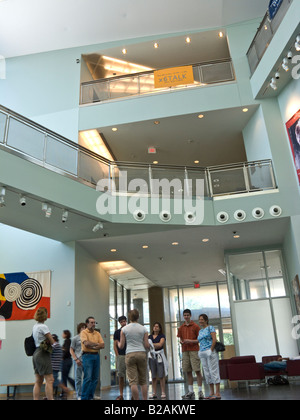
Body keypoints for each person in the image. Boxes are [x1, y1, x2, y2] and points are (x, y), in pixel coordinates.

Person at [118, 309, 150, 400]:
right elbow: (147, 345)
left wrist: (117, 344)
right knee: (143, 380)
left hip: (130, 354)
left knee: (133, 382)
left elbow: (121, 346)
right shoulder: (143, 328)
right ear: (138, 317)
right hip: (141, 353)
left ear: (129, 318)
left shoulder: (124, 329)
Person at [177, 308, 204, 400]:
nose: (186, 317)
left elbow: (199, 339)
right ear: (183, 316)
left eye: (188, 315)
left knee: (197, 370)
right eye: (185, 315)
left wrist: (190, 341)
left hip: (194, 350)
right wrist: (182, 342)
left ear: (190, 316)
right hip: (185, 350)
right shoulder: (181, 328)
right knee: (188, 371)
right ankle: (191, 391)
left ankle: (200, 391)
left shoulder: (196, 326)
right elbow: (180, 339)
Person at [32, 307, 55, 400]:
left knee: (38, 381)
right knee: (50, 380)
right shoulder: (43, 327)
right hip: (43, 354)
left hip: (35, 353)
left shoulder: (35, 326)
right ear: (45, 316)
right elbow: (52, 341)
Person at [197, 314, 221, 400]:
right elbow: (199, 341)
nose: (200, 321)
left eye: (202, 319)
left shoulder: (210, 328)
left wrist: (210, 350)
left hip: (211, 351)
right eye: (199, 319)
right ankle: (211, 392)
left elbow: (214, 339)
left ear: (206, 320)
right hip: (202, 352)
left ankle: (217, 393)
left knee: (213, 370)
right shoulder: (200, 331)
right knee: (206, 372)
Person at [80, 316, 105, 400]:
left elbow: (103, 345)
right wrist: (96, 345)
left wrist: (93, 345)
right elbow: (86, 344)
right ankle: (84, 397)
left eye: (94, 322)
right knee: (88, 378)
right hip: (87, 356)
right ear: (87, 324)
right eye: (92, 322)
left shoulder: (97, 333)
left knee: (95, 378)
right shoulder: (84, 332)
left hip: (96, 356)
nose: (93, 324)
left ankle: (90, 397)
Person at [148, 322, 168, 399]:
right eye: (154, 326)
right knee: (153, 375)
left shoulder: (162, 336)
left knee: (161, 374)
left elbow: (160, 345)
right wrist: (154, 345)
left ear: (159, 328)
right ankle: (154, 392)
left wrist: (151, 345)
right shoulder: (149, 336)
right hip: (152, 356)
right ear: (152, 328)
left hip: (159, 356)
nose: (156, 327)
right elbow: (147, 345)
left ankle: (163, 392)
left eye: (157, 326)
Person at [70, 322, 86, 400]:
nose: (84, 329)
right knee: (78, 378)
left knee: (87, 378)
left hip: (86, 359)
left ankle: (86, 393)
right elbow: (71, 350)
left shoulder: (87, 338)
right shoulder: (75, 338)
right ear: (79, 329)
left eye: (85, 327)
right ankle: (79, 394)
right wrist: (76, 359)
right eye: (82, 327)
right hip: (78, 360)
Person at [113, 315, 127, 400]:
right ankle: (121, 394)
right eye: (121, 322)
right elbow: (115, 345)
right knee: (121, 375)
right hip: (121, 355)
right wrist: (117, 355)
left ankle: (133, 394)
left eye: (124, 321)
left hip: (129, 354)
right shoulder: (117, 332)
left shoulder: (129, 330)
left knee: (132, 375)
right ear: (119, 323)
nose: (123, 323)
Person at [61, 329, 75, 397]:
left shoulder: (67, 341)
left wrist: (62, 357)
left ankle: (64, 392)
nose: (62, 335)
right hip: (69, 360)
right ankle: (66, 391)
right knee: (66, 376)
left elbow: (66, 350)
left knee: (64, 377)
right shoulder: (69, 341)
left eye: (63, 333)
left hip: (66, 361)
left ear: (66, 334)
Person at [50, 334, 63, 399]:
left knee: (53, 381)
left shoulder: (55, 345)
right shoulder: (58, 345)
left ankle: (65, 389)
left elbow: (49, 352)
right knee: (53, 381)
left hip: (54, 366)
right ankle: (50, 395)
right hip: (56, 366)